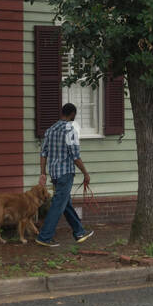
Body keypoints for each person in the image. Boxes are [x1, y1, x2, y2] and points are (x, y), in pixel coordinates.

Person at [36, 103, 93, 246]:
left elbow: (43, 153)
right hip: (66, 174)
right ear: (72, 114)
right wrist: (85, 173)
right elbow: (75, 156)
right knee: (58, 205)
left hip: (55, 174)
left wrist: (43, 172)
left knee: (65, 204)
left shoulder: (50, 130)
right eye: (75, 115)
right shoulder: (70, 131)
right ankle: (44, 237)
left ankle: (79, 232)